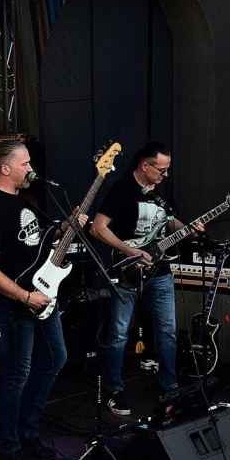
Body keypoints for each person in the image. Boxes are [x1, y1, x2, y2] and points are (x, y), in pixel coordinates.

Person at [0, 141, 88, 460]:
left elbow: (39, 243)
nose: (30, 169)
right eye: (24, 163)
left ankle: (29, 433)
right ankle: (8, 451)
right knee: (17, 374)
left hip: (42, 295)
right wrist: (24, 297)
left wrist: (67, 225)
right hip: (16, 304)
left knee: (55, 358)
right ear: (5, 168)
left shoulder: (23, 202)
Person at [90, 142, 203, 417]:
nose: (166, 175)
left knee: (167, 331)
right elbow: (97, 228)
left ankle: (170, 387)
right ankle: (114, 390)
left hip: (160, 270)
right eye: (161, 170)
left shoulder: (160, 193)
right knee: (119, 333)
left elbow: (169, 221)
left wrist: (189, 229)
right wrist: (129, 250)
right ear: (145, 165)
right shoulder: (122, 189)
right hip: (127, 269)